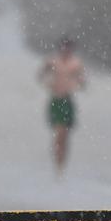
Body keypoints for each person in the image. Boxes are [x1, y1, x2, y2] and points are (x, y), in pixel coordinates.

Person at [38, 37, 86, 175]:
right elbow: (41, 75)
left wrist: (78, 82)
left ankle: (62, 162)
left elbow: (82, 81)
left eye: (68, 48)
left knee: (65, 134)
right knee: (59, 133)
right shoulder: (53, 61)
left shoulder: (76, 63)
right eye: (64, 48)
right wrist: (47, 79)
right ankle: (58, 162)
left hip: (67, 99)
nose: (65, 50)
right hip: (56, 99)